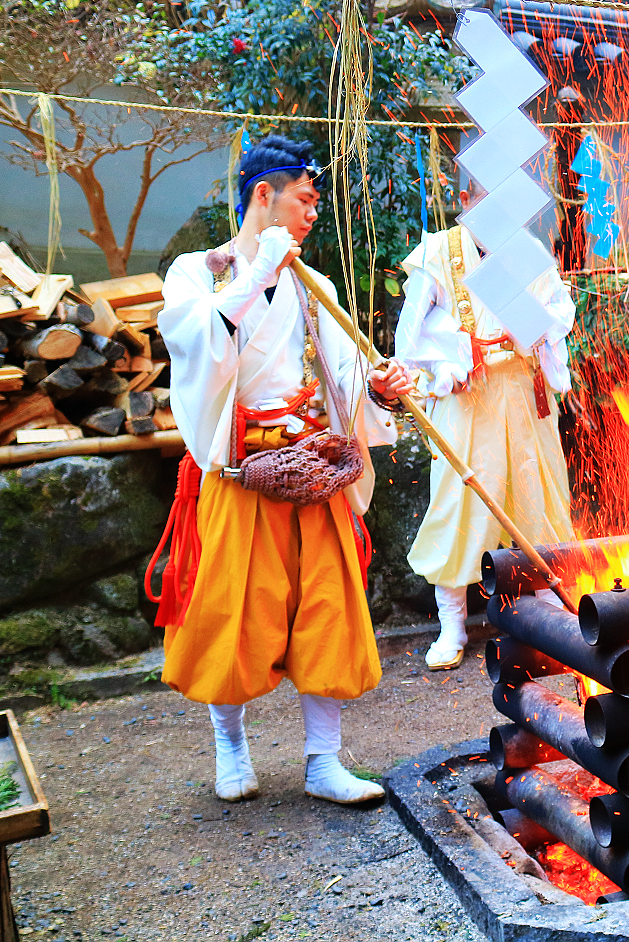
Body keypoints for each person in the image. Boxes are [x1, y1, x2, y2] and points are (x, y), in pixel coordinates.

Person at [154, 135, 415, 803]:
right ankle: (230, 745)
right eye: (304, 199)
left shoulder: (313, 284)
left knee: (329, 610)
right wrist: (260, 273)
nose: (313, 214)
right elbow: (197, 351)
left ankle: (324, 762)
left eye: (316, 203)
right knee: (233, 614)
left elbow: (340, 376)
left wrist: (378, 389)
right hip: (241, 469)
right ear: (263, 195)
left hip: (311, 469)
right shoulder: (197, 272)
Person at [393, 187, 576, 670]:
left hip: (523, 390)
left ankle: (552, 608)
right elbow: (410, 334)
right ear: (467, 199)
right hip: (467, 395)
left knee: (540, 497)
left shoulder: (527, 251)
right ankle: (452, 622)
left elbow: (561, 310)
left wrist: (534, 327)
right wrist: (450, 355)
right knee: (456, 503)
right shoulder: (438, 250)